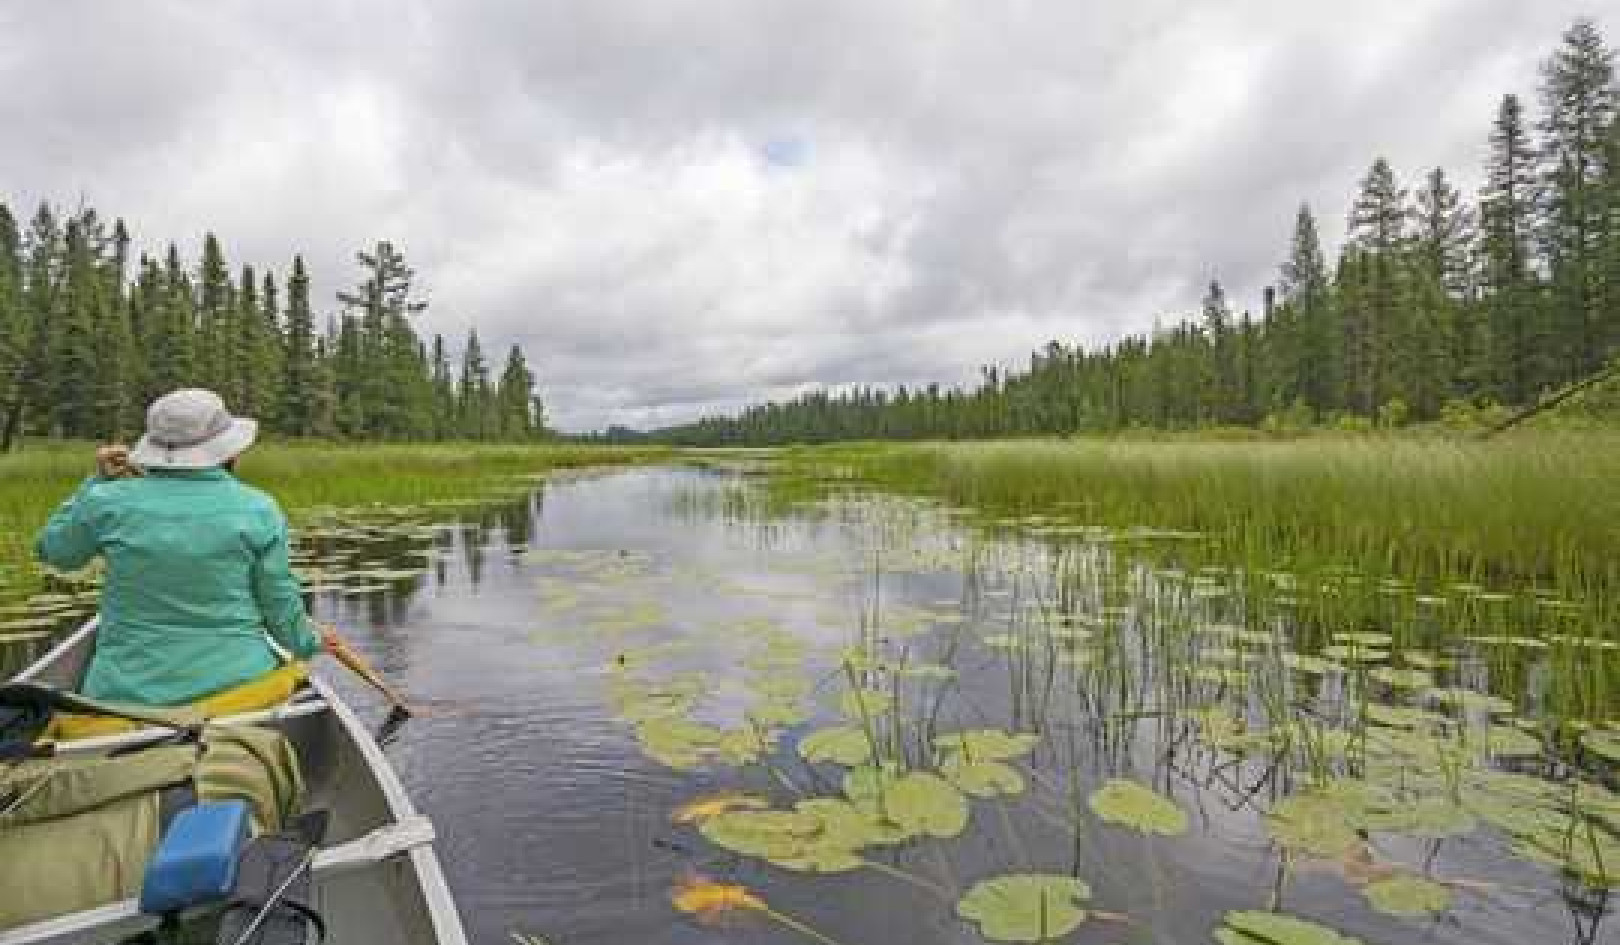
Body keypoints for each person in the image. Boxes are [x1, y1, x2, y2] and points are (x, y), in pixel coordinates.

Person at [35, 388, 337, 706]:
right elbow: (279, 606)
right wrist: (309, 643)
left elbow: (55, 552)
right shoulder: (259, 509)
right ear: (228, 451)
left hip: (126, 694)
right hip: (239, 690)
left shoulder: (107, 501)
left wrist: (97, 481)